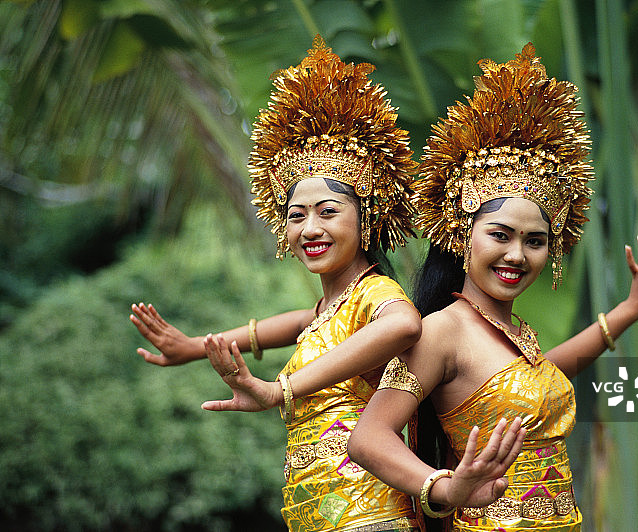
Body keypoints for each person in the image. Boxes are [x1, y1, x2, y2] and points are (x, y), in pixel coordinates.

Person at [348, 44, 638, 532]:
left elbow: (543, 375)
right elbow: (368, 438)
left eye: (535, 241)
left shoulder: (514, 331)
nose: (517, 255)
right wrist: (445, 488)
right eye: (500, 235)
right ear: (462, 237)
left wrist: (631, 309)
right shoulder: (441, 331)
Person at [130, 36, 441, 532]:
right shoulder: (328, 312)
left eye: (328, 212)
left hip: (368, 517)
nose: (309, 228)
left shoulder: (374, 294)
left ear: (367, 219)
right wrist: (193, 347)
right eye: (297, 216)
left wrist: (281, 390)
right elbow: (293, 325)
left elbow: (404, 325)